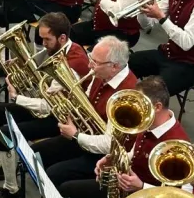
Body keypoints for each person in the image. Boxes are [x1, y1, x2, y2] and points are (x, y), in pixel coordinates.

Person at [59, 76, 189, 198]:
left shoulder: (177, 145)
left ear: (157, 107)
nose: (136, 108)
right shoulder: (147, 122)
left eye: (140, 103)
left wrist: (141, 186)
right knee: (67, 189)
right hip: (123, 191)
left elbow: (175, 197)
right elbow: (134, 153)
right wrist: (112, 159)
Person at [0, 12, 91, 198]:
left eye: (47, 39)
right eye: (41, 38)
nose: (43, 43)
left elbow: (48, 106)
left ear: (62, 38)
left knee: (6, 132)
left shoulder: (73, 63)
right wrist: (19, 70)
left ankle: (11, 188)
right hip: (46, 107)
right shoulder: (58, 49)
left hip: (60, 119)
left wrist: (17, 98)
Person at [35, 35, 137, 187]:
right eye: (91, 59)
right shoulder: (101, 73)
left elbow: (110, 144)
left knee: (54, 174)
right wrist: (65, 100)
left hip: (105, 156)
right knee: (36, 152)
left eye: (95, 62)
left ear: (114, 66)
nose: (89, 65)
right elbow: (86, 103)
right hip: (85, 136)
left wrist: (76, 135)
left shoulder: (127, 97)